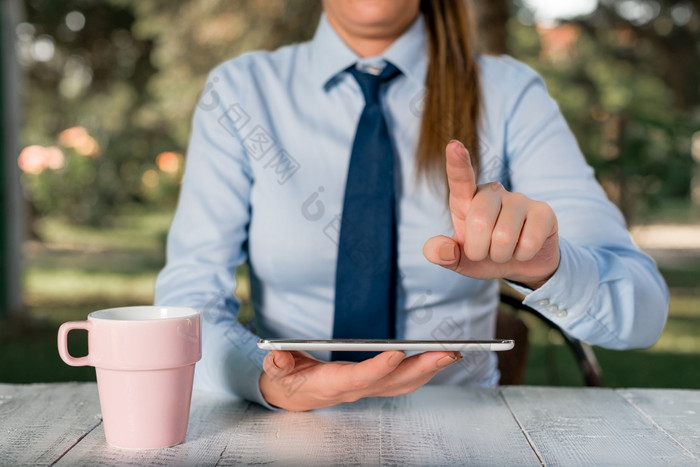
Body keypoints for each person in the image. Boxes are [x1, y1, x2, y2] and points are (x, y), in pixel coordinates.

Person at [154, 0, 669, 411]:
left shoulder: (510, 94)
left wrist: (549, 269)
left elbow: (640, 315)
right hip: (288, 426)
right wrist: (263, 380)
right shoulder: (242, 91)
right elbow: (187, 303)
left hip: (464, 430)